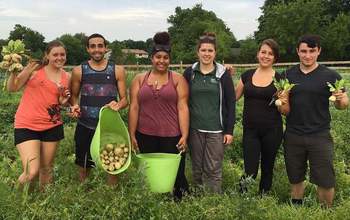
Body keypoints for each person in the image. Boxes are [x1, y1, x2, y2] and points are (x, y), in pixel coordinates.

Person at [282, 34, 349, 207]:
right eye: (303, 51)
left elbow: (343, 106)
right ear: (298, 52)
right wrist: (282, 101)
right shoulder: (287, 75)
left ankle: (325, 212)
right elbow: (284, 110)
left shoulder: (331, 75)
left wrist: (340, 98)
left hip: (320, 135)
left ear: (319, 51)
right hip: (293, 134)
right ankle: (296, 208)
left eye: (312, 51)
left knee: (325, 178)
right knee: (295, 175)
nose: (308, 55)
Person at [128, 31, 189, 200]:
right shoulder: (139, 79)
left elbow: (183, 107)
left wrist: (185, 134)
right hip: (145, 135)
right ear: (152, 58)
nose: (161, 61)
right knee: (147, 173)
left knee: (176, 174)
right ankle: (149, 204)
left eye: (165, 57)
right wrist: (132, 134)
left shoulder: (177, 79)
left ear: (169, 59)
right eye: (158, 57)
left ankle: (180, 204)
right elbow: (134, 107)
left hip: (172, 136)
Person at [7, 40, 71, 190]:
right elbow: (13, 88)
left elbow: (61, 102)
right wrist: (13, 72)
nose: (59, 57)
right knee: (31, 171)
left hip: (52, 125)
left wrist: (64, 101)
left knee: (46, 168)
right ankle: (15, 197)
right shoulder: (34, 71)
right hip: (27, 125)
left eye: (62, 54)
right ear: (47, 56)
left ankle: (44, 203)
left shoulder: (67, 76)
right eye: (55, 54)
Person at [70, 33, 128, 185]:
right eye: (93, 46)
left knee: (112, 165)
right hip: (85, 124)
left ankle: (112, 197)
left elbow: (125, 100)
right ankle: (84, 195)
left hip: (109, 126)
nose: (97, 49)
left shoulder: (117, 70)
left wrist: (118, 105)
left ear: (105, 48)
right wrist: (74, 106)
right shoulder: (79, 70)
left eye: (100, 46)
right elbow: (74, 96)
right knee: (83, 165)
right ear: (87, 49)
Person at [183, 32, 236, 193]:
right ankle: (199, 198)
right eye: (203, 50)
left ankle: (213, 201)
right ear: (197, 52)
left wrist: (229, 130)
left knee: (213, 168)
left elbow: (231, 103)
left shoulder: (223, 74)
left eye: (210, 50)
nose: (206, 54)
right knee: (197, 167)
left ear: (215, 53)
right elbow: (182, 100)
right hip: (194, 129)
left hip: (216, 130)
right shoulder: (190, 73)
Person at [235, 39, 287, 193]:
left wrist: (282, 101)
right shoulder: (247, 75)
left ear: (275, 58)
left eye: (270, 54)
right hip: (250, 131)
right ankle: (241, 197)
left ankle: (263, 198)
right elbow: (233, 97)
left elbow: (284, 110)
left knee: (267, 167)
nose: (266, 56)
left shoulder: (280, 80)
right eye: (263, 52)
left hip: (272, 131)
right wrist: (224, 77)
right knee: (250, 169)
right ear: (258, 54)